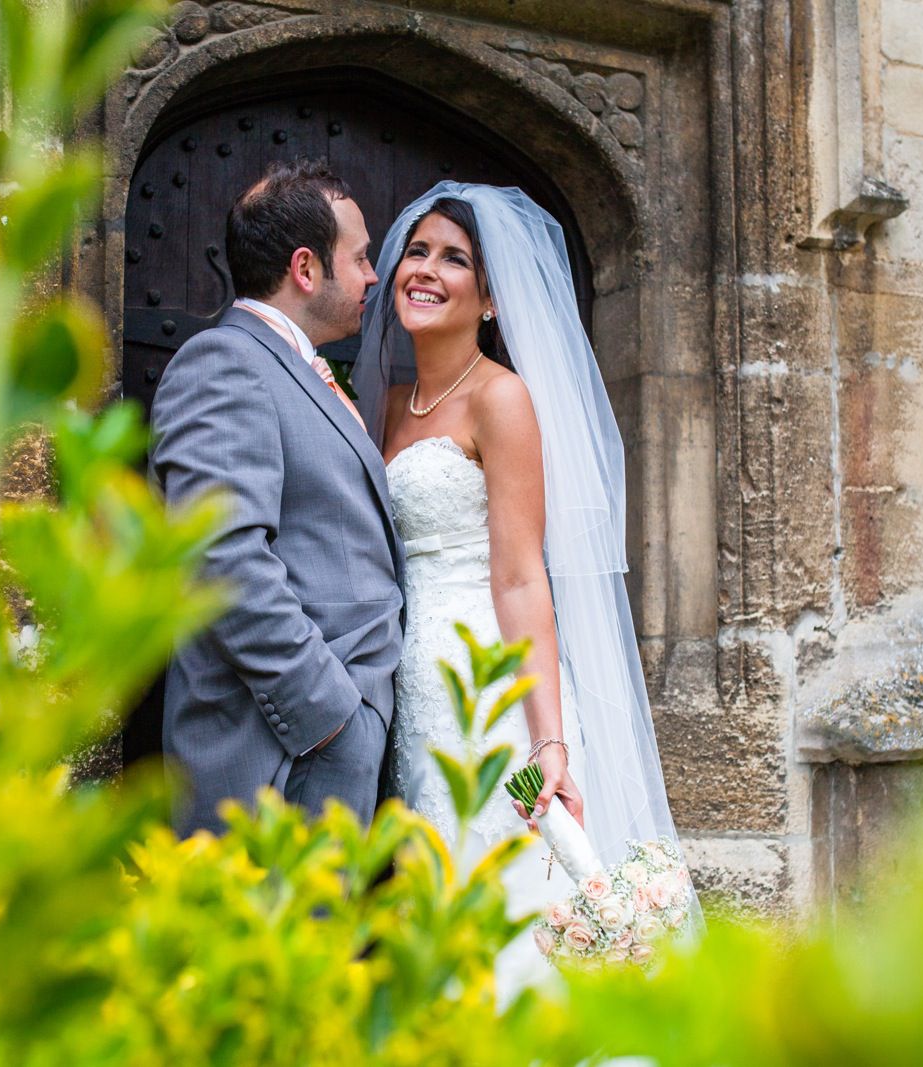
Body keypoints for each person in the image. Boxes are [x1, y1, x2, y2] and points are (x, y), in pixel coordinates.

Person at [355, 183, 702, 995]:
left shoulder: (502, 399)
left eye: (455, 258)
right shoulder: (385, 405)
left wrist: (550, 741)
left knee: (509, 876)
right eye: (418, 251)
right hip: (412, 681)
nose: (426, 269)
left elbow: (518, 576)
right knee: (437, 878)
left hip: (493, 684)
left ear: (491, 299)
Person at [150, 159, 402, 835]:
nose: (374, 277)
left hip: (323, 754)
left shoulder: (298, 371)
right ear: (305, 268)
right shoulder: (225, 363)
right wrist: (331, 719)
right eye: (360, 258)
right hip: (275, 759)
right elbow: (223, 558)